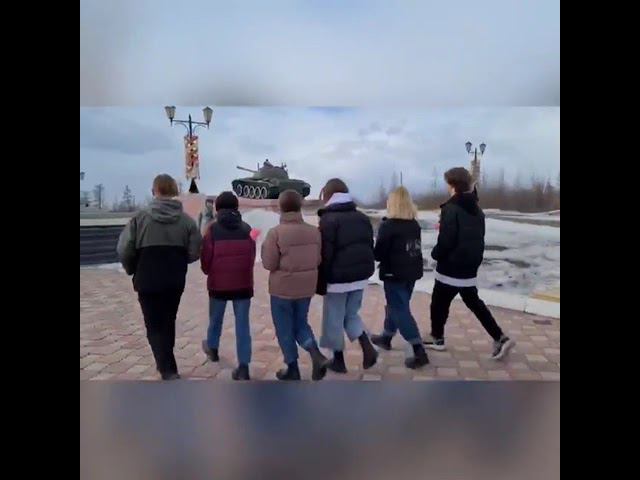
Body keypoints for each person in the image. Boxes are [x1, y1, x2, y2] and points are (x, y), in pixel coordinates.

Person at [116, 174, 202, 381]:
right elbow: (195, 250)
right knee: (168, 321)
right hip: (174, 279)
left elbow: (124, 249)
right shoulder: (187, 222)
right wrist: (179, 260)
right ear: (174, 190)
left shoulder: (139, 218)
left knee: (153, 324)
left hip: (147, 278)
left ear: (154, 191)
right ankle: (167, 364)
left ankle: (166, 368)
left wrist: (132, 268)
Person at [424, 167, 515, 360]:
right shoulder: (477, 209)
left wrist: (435, 253)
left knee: (439, 303)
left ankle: (437, 338)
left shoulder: (451, 208)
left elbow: (447, 240)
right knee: (474, 303)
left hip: (451, 267)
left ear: (453, 185)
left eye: (447, 183)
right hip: (469, 266)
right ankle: (500, 337)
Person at [261, 190, 328, 381]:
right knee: (300, 323)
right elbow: (318, 259)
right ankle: (316, 354)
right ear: (300, 206)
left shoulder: (275, 233)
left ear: (281, 207)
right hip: (306, 287)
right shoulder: (314, 231)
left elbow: (269, 263)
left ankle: (293, 368)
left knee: (284, 328)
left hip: (282, 289)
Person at [317, 178, 378, 373]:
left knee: (333, 319)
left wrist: (321, 281)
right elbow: (369, 245)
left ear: (328, 195)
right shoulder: (362, 217)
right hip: (360, 277)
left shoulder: (328, 219)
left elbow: (325, 254)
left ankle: (339, 360)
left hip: (337, 280)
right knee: (351, 315)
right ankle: (368, 348)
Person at [370, 186, 430, 369]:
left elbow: (378, 254)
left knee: (399, 310)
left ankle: (418, 350)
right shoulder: (414, 225)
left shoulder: (388, 226)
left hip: (394, 274)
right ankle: (386, 337)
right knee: (397, 306)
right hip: (411, 273)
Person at [200, 191, 256, 380]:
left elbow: (206, 258)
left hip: (218, 285)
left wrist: (208, 271)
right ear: (236, 207)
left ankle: (213, 349)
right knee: (243, 326)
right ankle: (244, 366)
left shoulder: (212, 230)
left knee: (215, 319)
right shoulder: (247, 229)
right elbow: (251, 257)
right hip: (243, 284)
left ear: (217, 208)